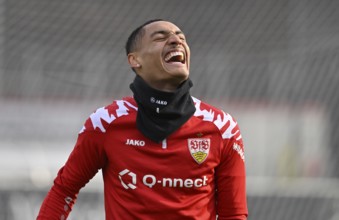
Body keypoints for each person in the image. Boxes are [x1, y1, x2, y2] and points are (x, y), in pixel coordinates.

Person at [37, 19, 248, 220]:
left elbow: (234, 214)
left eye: (181, 37)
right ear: (134, 60)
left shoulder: (222, 127)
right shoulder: (105, 123)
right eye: (160, 37)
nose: (177, 41)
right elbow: (64, 189)